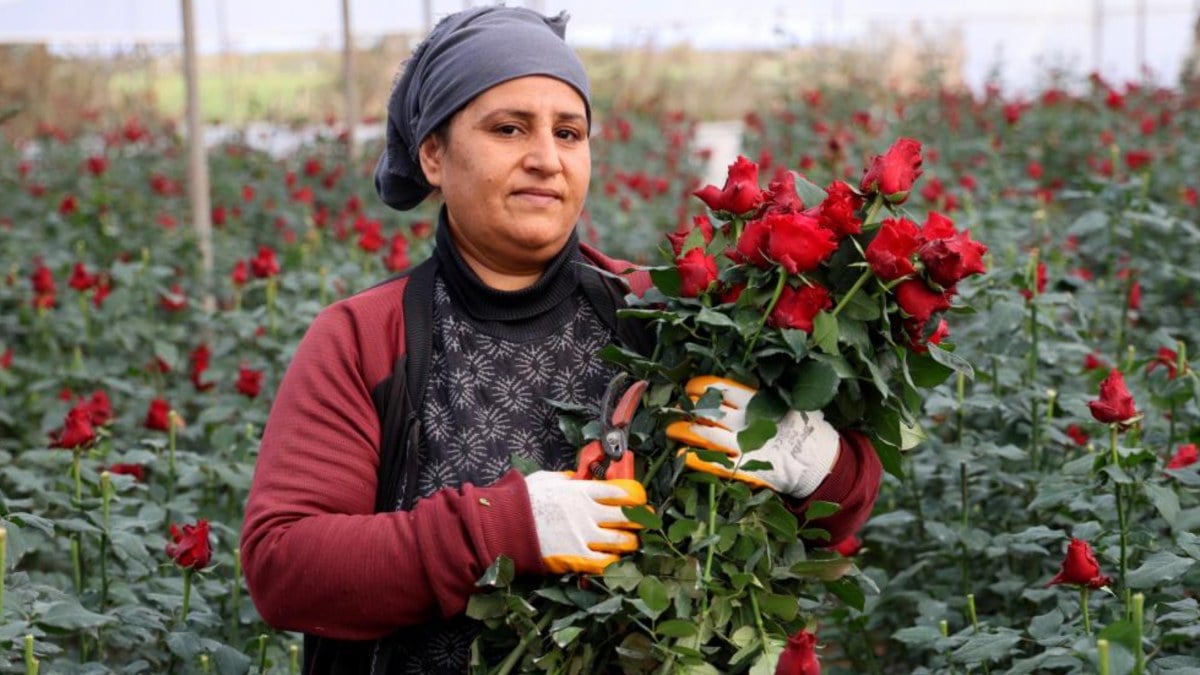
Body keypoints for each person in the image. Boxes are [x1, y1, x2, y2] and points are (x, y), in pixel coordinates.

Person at [239, 6, 882, 675]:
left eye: (568, 132)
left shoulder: (659, 322)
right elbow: (285, 565)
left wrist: (820, 464)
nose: (545, 158)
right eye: (508, 127)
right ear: (434, 153)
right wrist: (507, 526)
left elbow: (822, 523)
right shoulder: (367, 338)